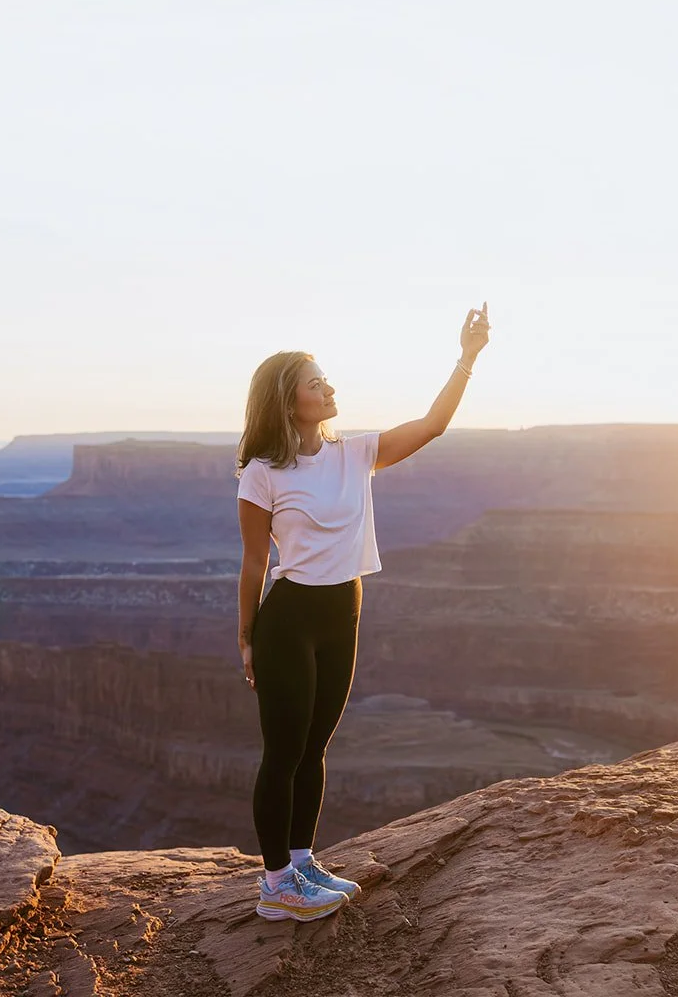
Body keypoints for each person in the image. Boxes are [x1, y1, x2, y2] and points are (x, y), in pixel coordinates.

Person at [236, 304, 493, 922]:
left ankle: (301, 860)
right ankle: (275, 886)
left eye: (327, 379)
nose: (329, 389)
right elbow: (251, 563)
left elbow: (432, 424)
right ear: (286, 400)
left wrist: (467, 357)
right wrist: (246, 640)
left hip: (343, 608)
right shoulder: (262, 473)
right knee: (284, 749)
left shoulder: (355, 454)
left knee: (317, 744)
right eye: (315, 383)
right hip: (290, 617)